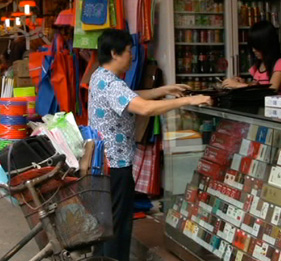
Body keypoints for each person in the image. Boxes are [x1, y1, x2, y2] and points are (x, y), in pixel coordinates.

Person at [88, 29, 212, 261]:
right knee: (118, 226)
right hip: (116, 166)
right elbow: (143, 108)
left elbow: (131, 96)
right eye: (128, 52)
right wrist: (188, 100)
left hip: (105, 164)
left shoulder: (101, 77)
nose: (132, 57)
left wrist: (162, 91)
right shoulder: (110, 82)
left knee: (107, 224)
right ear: (115, 53)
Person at [223, 21, 281, 95]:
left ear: (267, 44)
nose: (253, 50)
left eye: (257, 46)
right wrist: (244, 82)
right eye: (252, 46)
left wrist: (239, 86)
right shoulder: (259, 64)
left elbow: (271, 91)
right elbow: (258, 87)